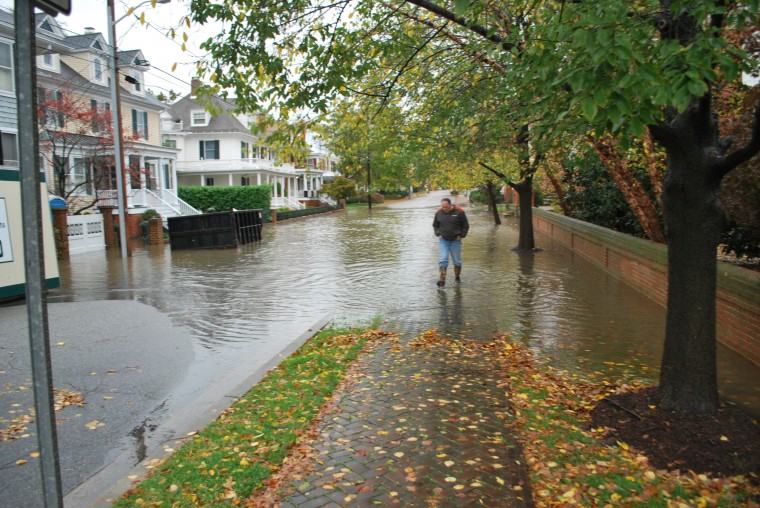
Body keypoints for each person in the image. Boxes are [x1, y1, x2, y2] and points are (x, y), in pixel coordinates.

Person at [433, 197, 469, 287]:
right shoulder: (438, 213)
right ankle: (442, 280)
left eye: (446, 207)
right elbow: (435, 225)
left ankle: (457, 277)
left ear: (450, 205)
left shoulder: (459, 212)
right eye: (442, 207)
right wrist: (438, 233)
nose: (444, 209)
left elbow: (466, 225)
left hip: (455, 240)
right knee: (443, 260)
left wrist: (461, 235)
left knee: (457, 261)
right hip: (443, 240)